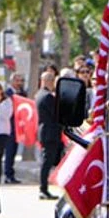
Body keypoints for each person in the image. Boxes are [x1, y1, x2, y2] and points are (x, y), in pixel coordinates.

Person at [35, 70, 64, 201]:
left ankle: (44, 188)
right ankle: (43, 188)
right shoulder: (47, 97)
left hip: (45, 131)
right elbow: (56, 113)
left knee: (48, 160)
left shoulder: (39, 95)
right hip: (50, 132)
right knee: (47, 161)